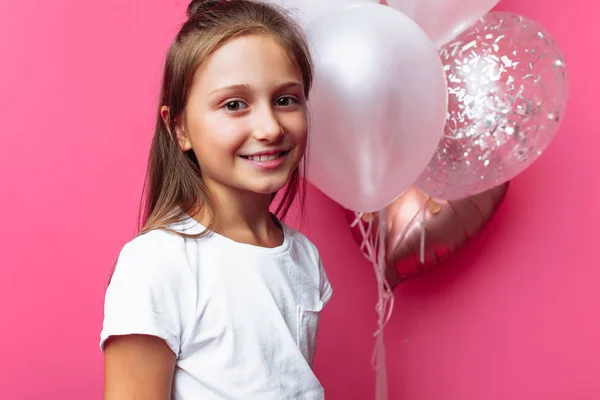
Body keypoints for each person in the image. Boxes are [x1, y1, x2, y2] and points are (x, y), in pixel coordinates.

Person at [100, 1, 333, 399]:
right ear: (180, 128)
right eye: (234, 105)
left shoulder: (303, 257)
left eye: (285, 100)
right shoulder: (159, 263)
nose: (269, 128)